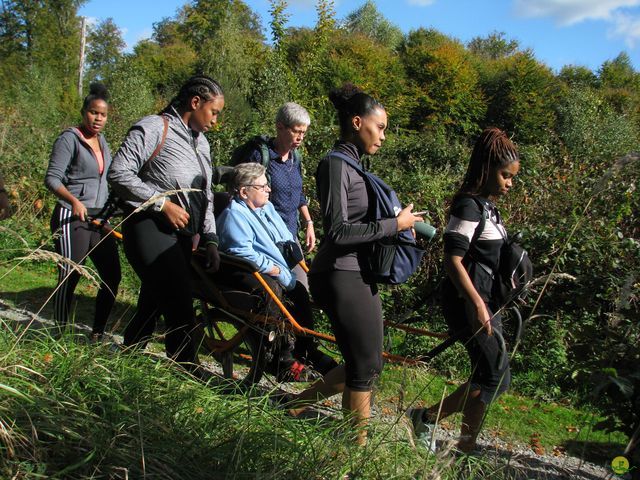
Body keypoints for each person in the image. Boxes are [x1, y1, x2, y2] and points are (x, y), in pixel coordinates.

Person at [288, 84, 422, 446]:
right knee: (363, 367)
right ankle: (355, 450)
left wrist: (400, 226)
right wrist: (397, 225)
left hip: (358, 273)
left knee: (369, 363)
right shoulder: (335, 164)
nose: (383, 136)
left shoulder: (354, 166)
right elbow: (339, 230)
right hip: (339, 273)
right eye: (380, 127)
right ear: (357, 122)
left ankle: (296, 406)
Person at [407, 127, 519, 454]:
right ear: (487, 169)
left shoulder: (489, 208)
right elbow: (453, 260)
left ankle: (466, 448)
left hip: (485, 302)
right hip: (468, 303)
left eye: (513, 177)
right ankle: (425, 416)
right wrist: (477, 305)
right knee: (496, 376)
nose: (510, 183)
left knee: (486, 375)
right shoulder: (468, 207)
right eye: (505, 175)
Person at [108, 75, 224, 368]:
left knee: (152, 303)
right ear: (195, 102)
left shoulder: (203, 143)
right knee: (179, 301)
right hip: (149, 228)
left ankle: (126, 362)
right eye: (214, 112)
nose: (215, 121)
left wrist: (210, 238)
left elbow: (206, 195)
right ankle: (187, 367)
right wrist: (162, 204)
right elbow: (119, 172)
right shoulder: (153, 127)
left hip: (183, 238)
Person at [216, 163, 337, 379]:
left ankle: (306, 348)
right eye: (262, 186)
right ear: (244, 192)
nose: (269, 189)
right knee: (274, 294)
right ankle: (280, 358)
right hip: (248, 272)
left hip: (277, 268)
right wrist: (271, 268)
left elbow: (284, 235)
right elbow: (240, 251)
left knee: (299, 292)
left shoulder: (267, 208)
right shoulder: (234, 215)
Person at [44, 83, 121, 340]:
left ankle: (97, 333)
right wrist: (74, 201)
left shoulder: (103, 142)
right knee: (71, 274)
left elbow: (106, 180)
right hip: (71, 215)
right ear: (84, 111)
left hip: (99, 219)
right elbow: (52, 179)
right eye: (93, 112)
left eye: (103, 114)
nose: (98, 118)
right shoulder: (69, 139)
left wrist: (110, 211)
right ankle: (59, 333)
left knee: (112, 276)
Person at [240, 102, 315, 289]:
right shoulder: (260, 157)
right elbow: (244, 195)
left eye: (304, 133)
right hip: (266, 237)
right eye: (297, 131)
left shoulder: (294, 158)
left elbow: (298, 194)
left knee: (301, 289)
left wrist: (309, 223)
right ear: (280, 127)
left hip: (289, 235)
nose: (301, 138)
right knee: (278, 292)